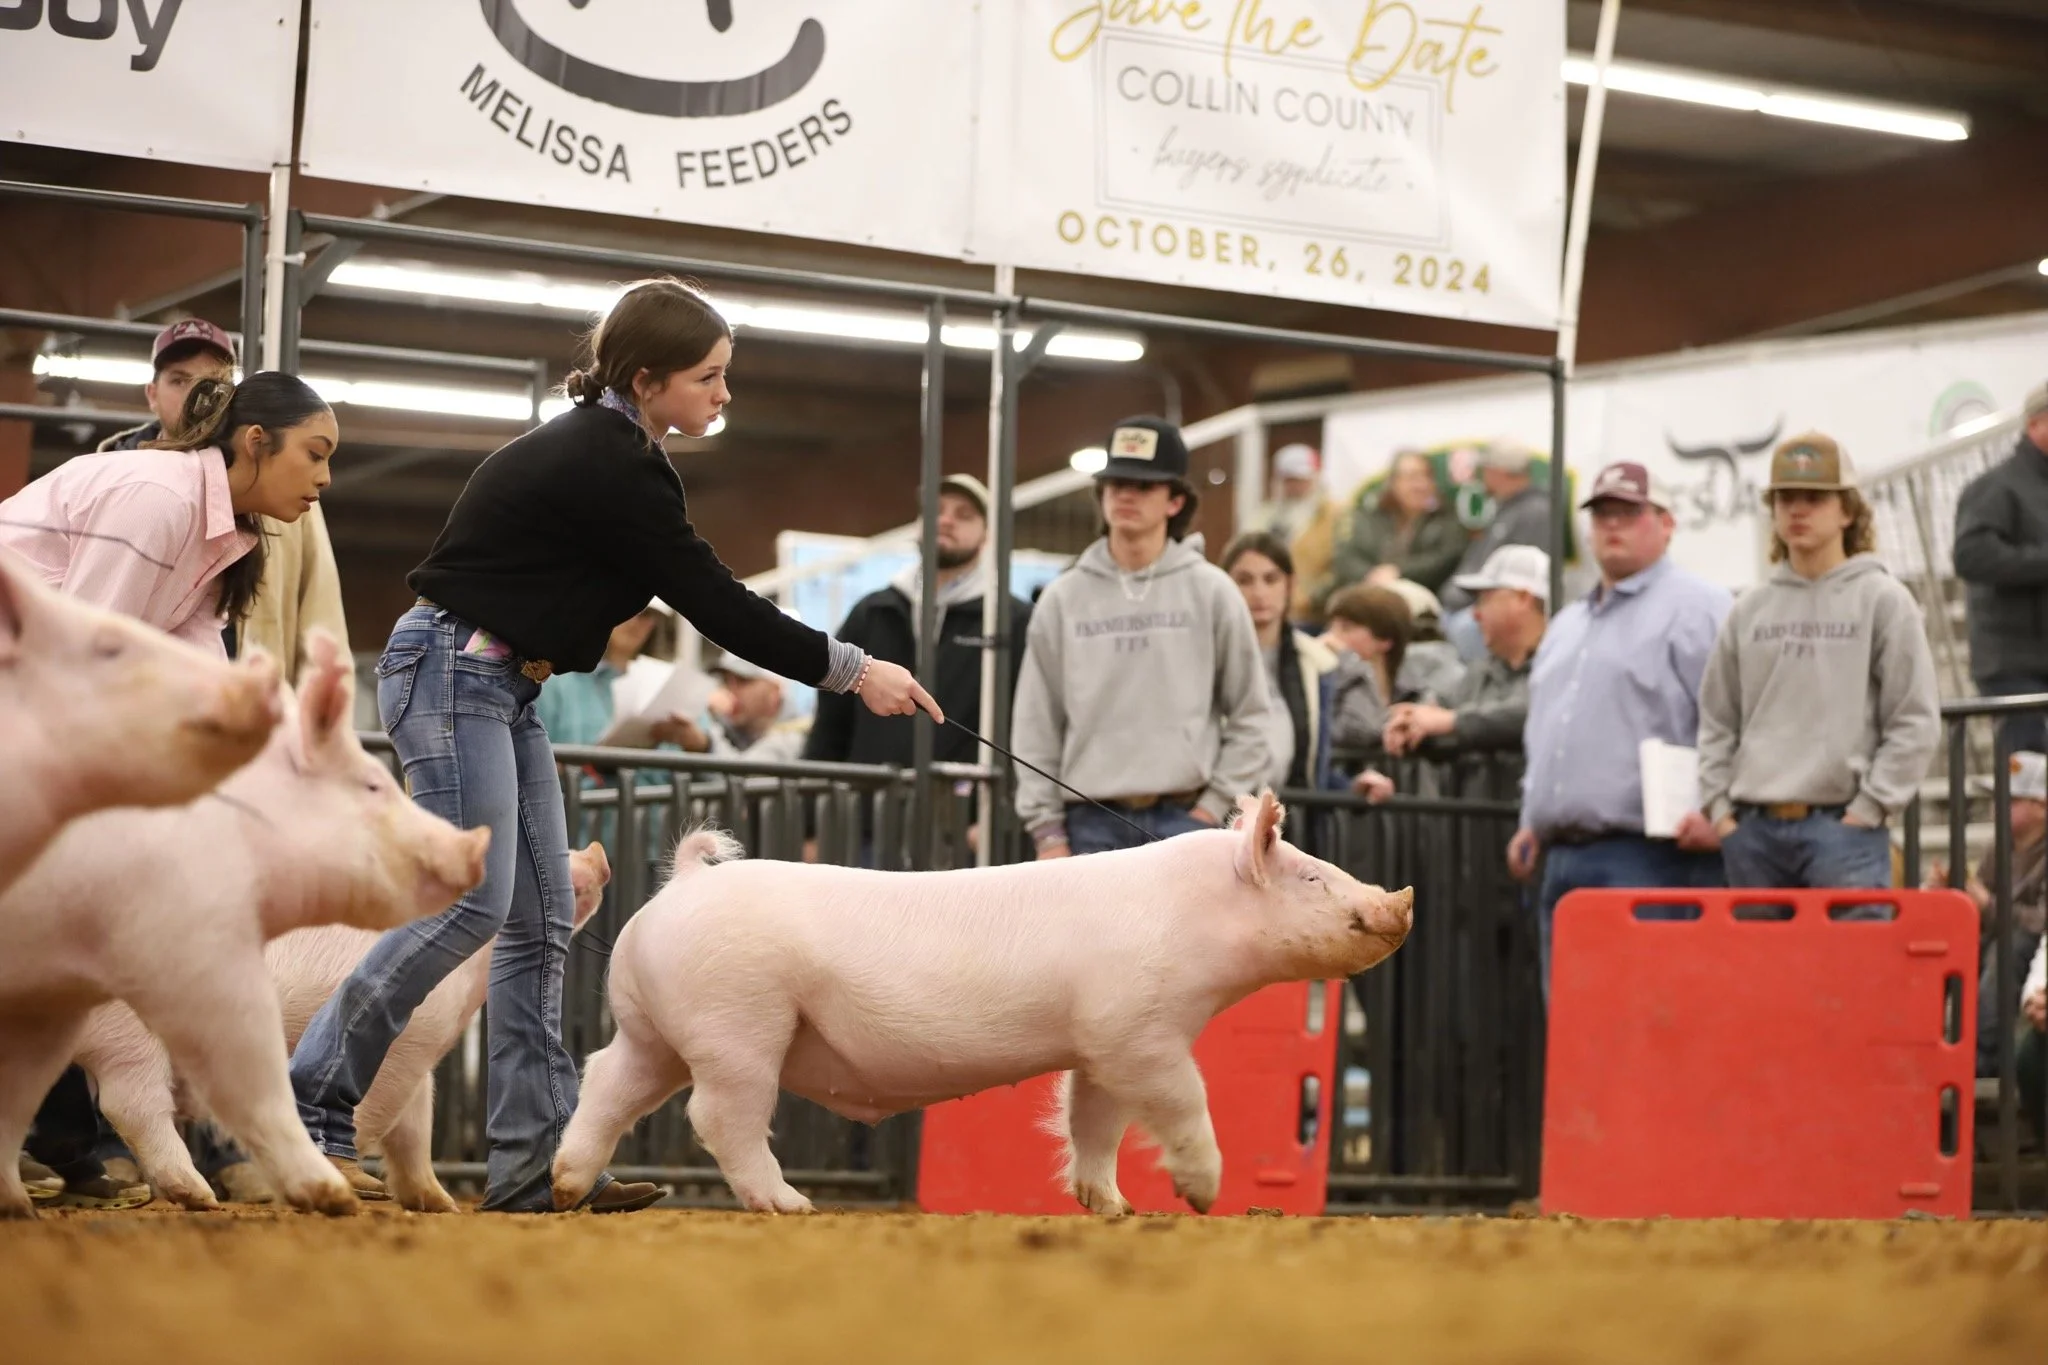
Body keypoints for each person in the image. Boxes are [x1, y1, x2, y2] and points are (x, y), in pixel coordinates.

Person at [285, 278, 937, 1215]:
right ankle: (310, 1108)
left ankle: (527, 1169)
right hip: (458, 667)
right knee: (472, 902)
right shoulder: (612, 458)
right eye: (708, 377)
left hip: (495, 678)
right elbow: (713, 597)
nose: (722, 394)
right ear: (646, 378)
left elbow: (698, 589)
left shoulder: (616, 451)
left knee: (538, 918)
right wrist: (850, 667)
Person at [1, 370, 339, 1207]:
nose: (326, 479)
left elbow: (197, 680)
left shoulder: (224, 538)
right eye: (316, 454)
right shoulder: (159, 501)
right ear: (253, 443)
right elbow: (72, 652)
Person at [1510, 461, 1733, 993]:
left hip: (1655, 854)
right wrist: (1529, 818)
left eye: (1629, 513)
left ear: (1666, 523)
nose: (1613, 526)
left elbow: (1737, 721)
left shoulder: (1701, 609)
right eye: (1603, 514)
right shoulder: (1567, 624)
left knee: (1650, 1023)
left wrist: (1720, 808)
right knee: (1572, 1031)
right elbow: (1545, 730)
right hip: (1561, 857)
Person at [1692, 434, 1940, 896]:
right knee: (1760, 969)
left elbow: (1915, 719)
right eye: (1785, 499)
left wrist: (1868, 808)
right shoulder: (1748, 608)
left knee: (1847, 968)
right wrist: (1722, 812)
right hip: (1753, 831)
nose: (1797, 510)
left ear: (1847, 511)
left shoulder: (1884, 600)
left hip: (1843, 830)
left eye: (1814, 498)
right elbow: (1716, 719)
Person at [1014, 415, 1271, 858]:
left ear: (1175, 501)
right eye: (1115, 484)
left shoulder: (1212, 591)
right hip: (1087, 823)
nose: (1126, 495)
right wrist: (1047, 830)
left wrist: (1211, 811)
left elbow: (1251, 714)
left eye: (1143, 486)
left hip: (1186, 818)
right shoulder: (1063, 598)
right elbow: (1036, 721)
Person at [100, 318, 348, 679]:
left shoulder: (284, 490)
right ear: (152, 394)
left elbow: (320, 609)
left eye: (210, 383)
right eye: (179, 380)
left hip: (233, 695)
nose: (193, 397)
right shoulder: (125, 483)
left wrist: (318, 717)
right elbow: (93, 618)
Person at [802, 472, 1032, 779]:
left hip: (966, 814)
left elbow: (1030, 725)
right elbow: (831, 719)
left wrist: (998, 813)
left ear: (987, 534)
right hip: (868, 811)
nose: (946, 521)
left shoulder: (1011, 620)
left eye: (964, 515)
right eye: (935, 511)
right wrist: (812, 813)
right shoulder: (874, 612)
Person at [1923, 751, 2045, 1079]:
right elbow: (1981, 904)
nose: (1998, 807)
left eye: (2011, 800)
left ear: (2041, 805)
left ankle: (1985, 1057)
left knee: (2009, 947)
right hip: (2003, 936)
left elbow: (2041, 921)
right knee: (1950, 941)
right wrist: (1957, 893)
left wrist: (1987, 904)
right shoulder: (1999, 845)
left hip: (2031, 949)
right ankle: (1924, 1042)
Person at [1382, 544, 1549, 761]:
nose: (1476, 614)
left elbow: (1536, 712)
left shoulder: (1561, 665)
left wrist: (1451, 722)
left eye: (1485, 599)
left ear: (1522, 599)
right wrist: (1413, 720)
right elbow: (1443, 702)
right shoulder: (1481, 672)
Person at [1953, 380, 2048, 755]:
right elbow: (1971, 554)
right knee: (2027, 798)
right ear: (2034, 425)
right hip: (2014, 669)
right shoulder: (1996, 487)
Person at [1224, 530, 1338, 793]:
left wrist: (1357, 785)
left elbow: (1318, 762)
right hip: (1218, 815)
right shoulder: (1205, 656)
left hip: (1294, 815)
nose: (1259, 592)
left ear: (1290, 584)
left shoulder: (1318, 662)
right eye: (1244, 580)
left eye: (1271, 579)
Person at [1439, 440, 1553, 663]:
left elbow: (1525, 579)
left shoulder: (1535, 511)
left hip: (1489, 606)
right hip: (1468, 601)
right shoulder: (1504, 508)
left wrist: (1479, 604)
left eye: (1487, 470)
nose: (1484, 477)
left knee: (1464, 626)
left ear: (1499, 471)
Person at [1327, 447, 1468, 610]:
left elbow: (1446, 558)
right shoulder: (1369, 516)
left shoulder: (1446, 518)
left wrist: (1398, 572)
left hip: (1422, 604)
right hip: (1367, 599)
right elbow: (1346, 557)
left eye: (1426, 476)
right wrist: (1371, 576)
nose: (1420, 485)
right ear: (1393, 482)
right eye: (1412, 477)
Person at [1323, 583, 1414, 762]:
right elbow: (1359, 731)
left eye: (1346, 628)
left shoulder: (1415, 693)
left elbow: (1364, 728)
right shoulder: (1326, 685)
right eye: (1330, 627)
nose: (1330, 637)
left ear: (1385, 639)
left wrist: (1350, 662)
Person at [702, 652, 809, 762]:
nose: (731, 690)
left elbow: (744, 776)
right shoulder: (723, 726)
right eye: (726, 681)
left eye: (743, 681)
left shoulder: (797, 737)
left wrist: (704, 745)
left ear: (774, 691)